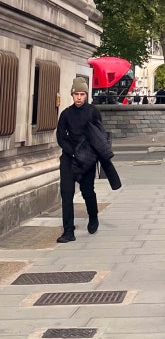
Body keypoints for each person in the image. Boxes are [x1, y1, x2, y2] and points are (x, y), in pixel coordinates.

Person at [55, 77, 120, 242]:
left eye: (82, 94)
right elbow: (60, 137)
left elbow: (99, 135)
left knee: (87, 191)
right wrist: (72, 152)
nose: (79, 97)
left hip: (88, 159)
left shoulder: (93, 111)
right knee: (67, 193)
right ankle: (68, 231)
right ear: (72, 95)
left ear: (86, 95)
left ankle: (93, 217)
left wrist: (89, 153)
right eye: (76, 94)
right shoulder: (66, 114)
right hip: (69, 158)